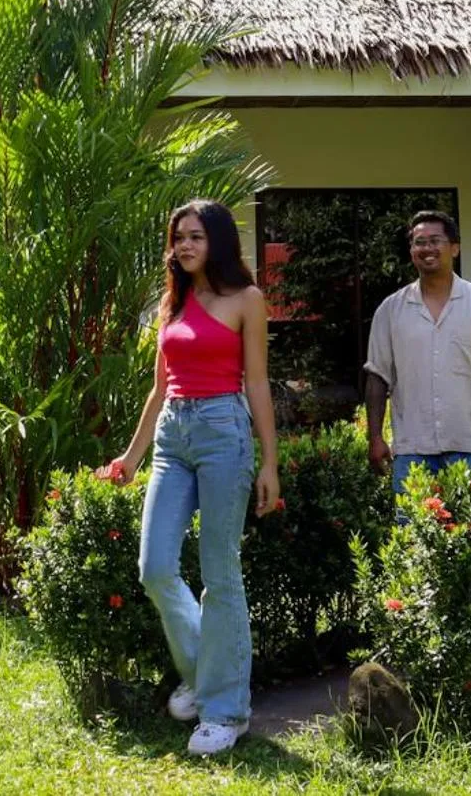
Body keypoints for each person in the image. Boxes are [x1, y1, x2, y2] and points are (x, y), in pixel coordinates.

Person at [98, 198, 281, 757]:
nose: (184, 245)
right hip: (173, 437)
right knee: (154, 567)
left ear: (218, 241)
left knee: (219, 573)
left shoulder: (247, 300)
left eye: (195, 236)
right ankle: (204, 675)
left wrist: (269, 462)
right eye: (178, 237)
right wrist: (131, 456)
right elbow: (159, 389)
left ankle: (226, 712)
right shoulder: (171, 304)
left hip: (225, 428)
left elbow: (257, 383)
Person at [363, 210, 471, 500]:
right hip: (412, 453)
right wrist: (374, 437)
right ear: (411, 250)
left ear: (455, 247)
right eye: (418, 242)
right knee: (413, 540)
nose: (426, 248)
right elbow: (377, 378)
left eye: (435, 240)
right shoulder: (390, 311)